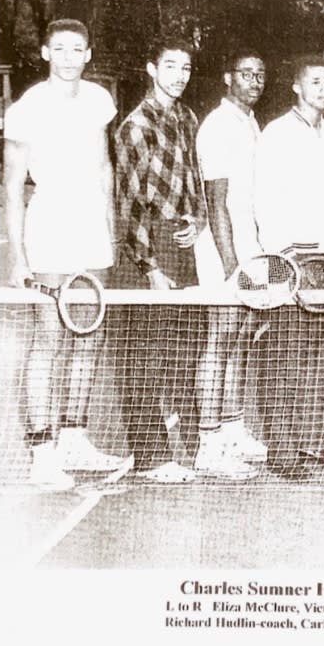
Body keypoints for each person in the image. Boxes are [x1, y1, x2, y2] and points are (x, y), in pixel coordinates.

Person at [2, 18, 132, 490]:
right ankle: (42, 450)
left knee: (89, 335)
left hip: (91, 228)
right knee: (49, 339)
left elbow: (103, 165)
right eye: (61, 49)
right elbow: (13, 185)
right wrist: (18, 256)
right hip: (50, 225)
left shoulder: (99, 101)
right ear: (45, 53)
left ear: (89, 54)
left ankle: (74, 436)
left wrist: (111, 227)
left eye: (78, 49)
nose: (70, 58)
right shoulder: (27, 108)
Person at [113, 35, 206, 484]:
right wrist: (148, 266)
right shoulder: (135, 126)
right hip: (144, 248)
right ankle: (150, 456)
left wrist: (199, 220)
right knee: (142, 356)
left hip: (180, 243)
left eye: (185, 68)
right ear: (152, 69)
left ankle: (184, 449)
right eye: (170, 66)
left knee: (183, 346)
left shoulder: (187, 117)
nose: (179, 76)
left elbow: (195, 182)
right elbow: (129, 204)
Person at [253, 54, 324, 479]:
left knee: (318, 355)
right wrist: (280, 251)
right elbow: (263, 196)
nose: (323, 89)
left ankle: (311, 441)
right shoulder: (275, 133)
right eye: (315, 82)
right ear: (296, 86)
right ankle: (283, 451)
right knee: (284, 356)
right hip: (285, 258)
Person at [191, 49, 273, 481]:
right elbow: (216, 202)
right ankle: (208, 444)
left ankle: (232, 428)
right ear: (228, 77)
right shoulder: (218, 125)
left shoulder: (249, 122)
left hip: (251, 246)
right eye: (246, 73)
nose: (254, 80)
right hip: (224, 249)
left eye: (260, 74)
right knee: (221, 336)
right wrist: (231, 266)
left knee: (241, 337)